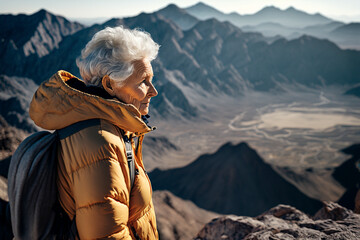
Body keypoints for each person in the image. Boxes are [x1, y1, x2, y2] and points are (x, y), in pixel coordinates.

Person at [29, 26, 159, 239]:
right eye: (143, 82)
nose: (153, 91)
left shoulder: (108, 130)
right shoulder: (100, 143)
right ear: (109, 84)